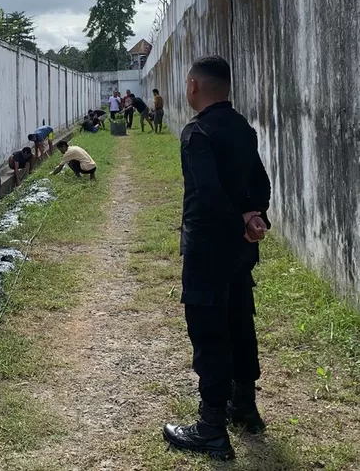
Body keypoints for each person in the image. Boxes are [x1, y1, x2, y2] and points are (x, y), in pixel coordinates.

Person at [162, 55, 272, 461]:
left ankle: (211, 428)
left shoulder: (197, 133)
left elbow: (206, 198)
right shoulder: (242, 128)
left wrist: (237, 221)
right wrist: (253, 218)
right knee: (240, 320)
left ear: (193, 86)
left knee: (209, 330)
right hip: (241, 249)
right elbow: (260, 182)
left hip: (208, 248)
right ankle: (244, 404)